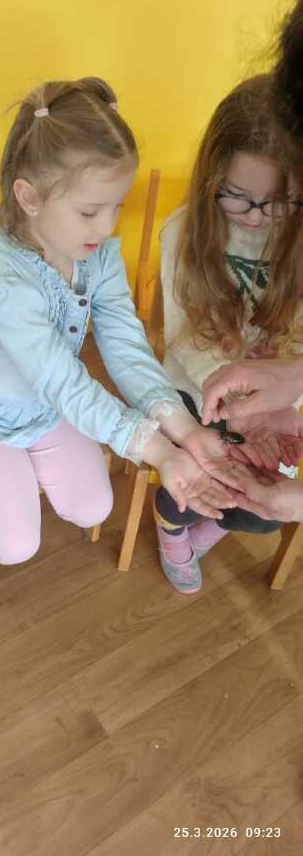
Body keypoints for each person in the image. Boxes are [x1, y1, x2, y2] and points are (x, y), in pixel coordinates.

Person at [0, 77, 239, 575]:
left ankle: (12, 481)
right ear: (29, 197)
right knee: (15, 545)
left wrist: (185, 430)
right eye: (90, 211)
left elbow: (126, 347)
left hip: (48, 405)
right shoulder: (0, 277)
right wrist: (156, 448)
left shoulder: (99, 256)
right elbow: (62, 380)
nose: (107, 227)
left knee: (94, 508)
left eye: (116, 207)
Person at [154, 73, 303, 593]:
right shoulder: (181, 233)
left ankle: (209, 524)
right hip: (196, 386)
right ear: (211, 179)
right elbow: (184, 341)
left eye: (279, 201)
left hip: (276, 397)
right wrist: (240, 402)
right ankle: (171, 524)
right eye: (238, 197)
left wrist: (279, 400)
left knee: (262, 505)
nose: (258, 218)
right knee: (199, 477)